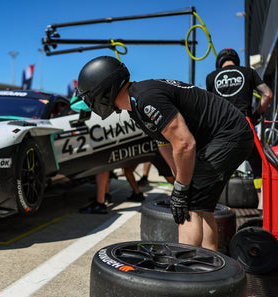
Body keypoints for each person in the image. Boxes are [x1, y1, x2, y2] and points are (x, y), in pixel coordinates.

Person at [77, 56, 254, 250]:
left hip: (229, 134)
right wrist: (180, 182)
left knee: (188, 205)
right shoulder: (136, 106)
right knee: (200, 205)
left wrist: (182, 189)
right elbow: (165, 144)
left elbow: (185, 144)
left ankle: (187, 273)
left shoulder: (146, 98)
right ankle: (209, 265)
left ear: (104, 90)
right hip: (227, 135)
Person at [206, 48, 273, 196]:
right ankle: (261, 201)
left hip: (221, 129)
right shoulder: (248, 72)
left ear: (219, 62)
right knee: (257, 165)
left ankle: (214, 207)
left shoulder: (211, 77)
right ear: (236, 60)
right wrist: (256, 113)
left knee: (216, 167)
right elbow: (267, 94)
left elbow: (209, 107)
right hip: (244, 124)